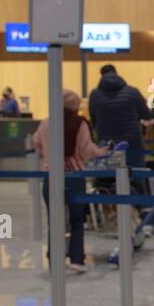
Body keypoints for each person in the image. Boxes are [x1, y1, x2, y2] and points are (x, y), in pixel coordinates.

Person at [33, 89, 110, 274]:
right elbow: (88, 149)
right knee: (76, 220)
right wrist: (101, 152)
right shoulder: (80, 123)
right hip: (74, 176)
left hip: (51, 177)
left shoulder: (45, 123)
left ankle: (55, 261)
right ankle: (77, 259)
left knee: (55, 220)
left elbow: (36, 143)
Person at [88, 64, 147, 167]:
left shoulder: (94, 95)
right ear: (116, 73)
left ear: (101, 75)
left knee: (109, 176)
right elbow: (146, 115)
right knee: (136, 174)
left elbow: (93, 120)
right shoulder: (133, 92)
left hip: (106, 142)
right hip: (132, 143)